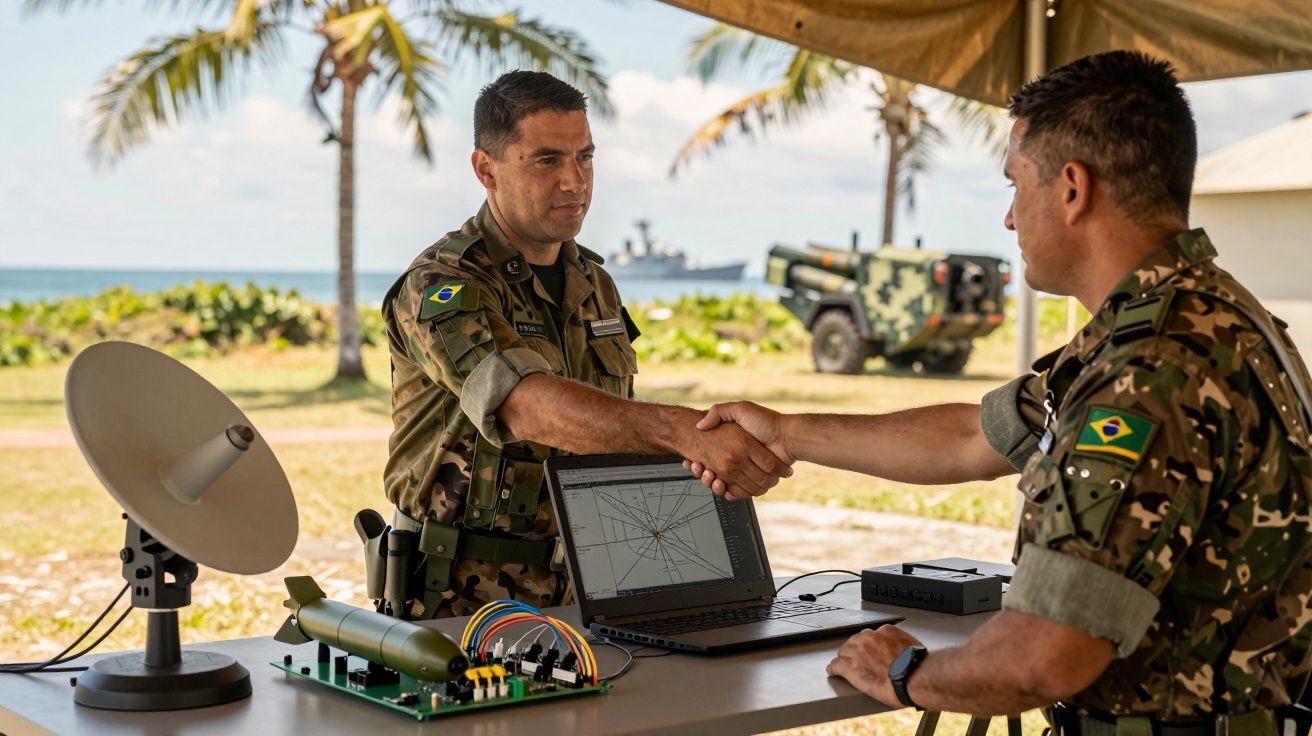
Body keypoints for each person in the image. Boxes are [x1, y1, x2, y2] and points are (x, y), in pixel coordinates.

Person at [686, 51, 1312, 731]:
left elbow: (1045, 658)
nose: (1009, 219)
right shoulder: (1205, 317)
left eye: (1015, 184)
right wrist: (787, 434)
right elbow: (971, 435)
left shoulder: (1149, 368)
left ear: (1072, 189)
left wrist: (904, 672)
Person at [380, 70, 791, 620]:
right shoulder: (443, 285)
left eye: (586, 158)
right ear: (486, 169)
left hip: (590, 588)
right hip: (456, 601)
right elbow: (524, 406)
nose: (575, 181)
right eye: (547, 160)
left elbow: (610, 429)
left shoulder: (595, 284)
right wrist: (686, 436)